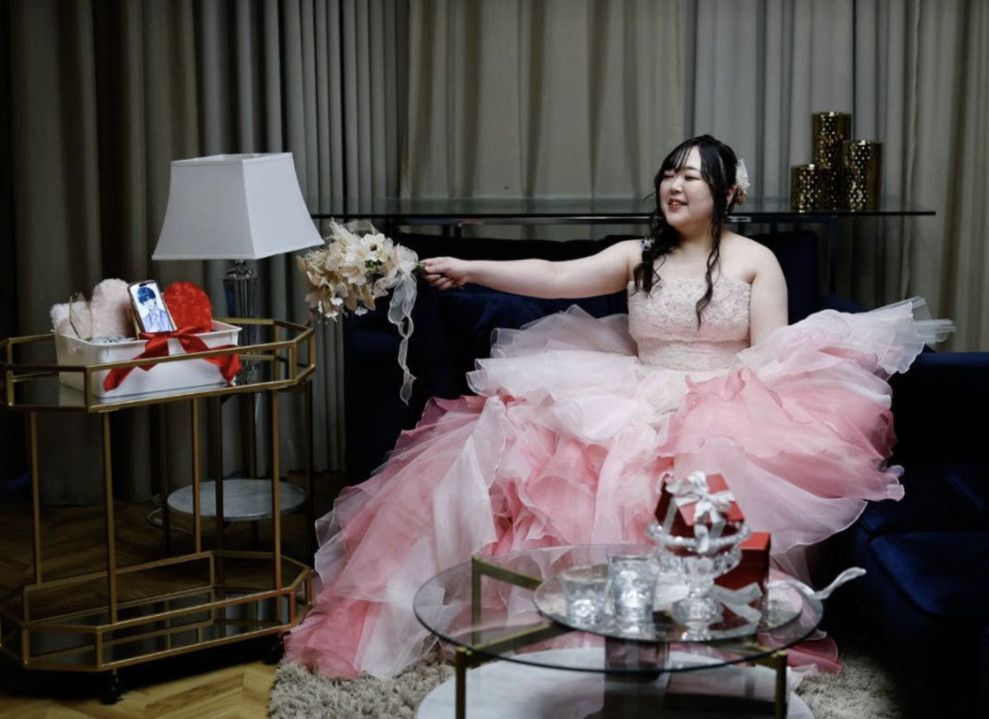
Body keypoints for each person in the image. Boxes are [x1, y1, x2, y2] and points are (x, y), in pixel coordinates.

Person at [284, 135, 953, 678]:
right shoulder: (639, 255)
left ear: (727, 193)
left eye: (692, 176)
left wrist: (718, 415)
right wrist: (469, 266)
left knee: (699, 489)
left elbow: (772, 355)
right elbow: (554, 276)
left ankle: (702, 628)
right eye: (669, 174)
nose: (675, 185)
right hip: (630, 385)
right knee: (516, 445)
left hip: (723, 400)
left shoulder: (757, 261)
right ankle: (552, 620)